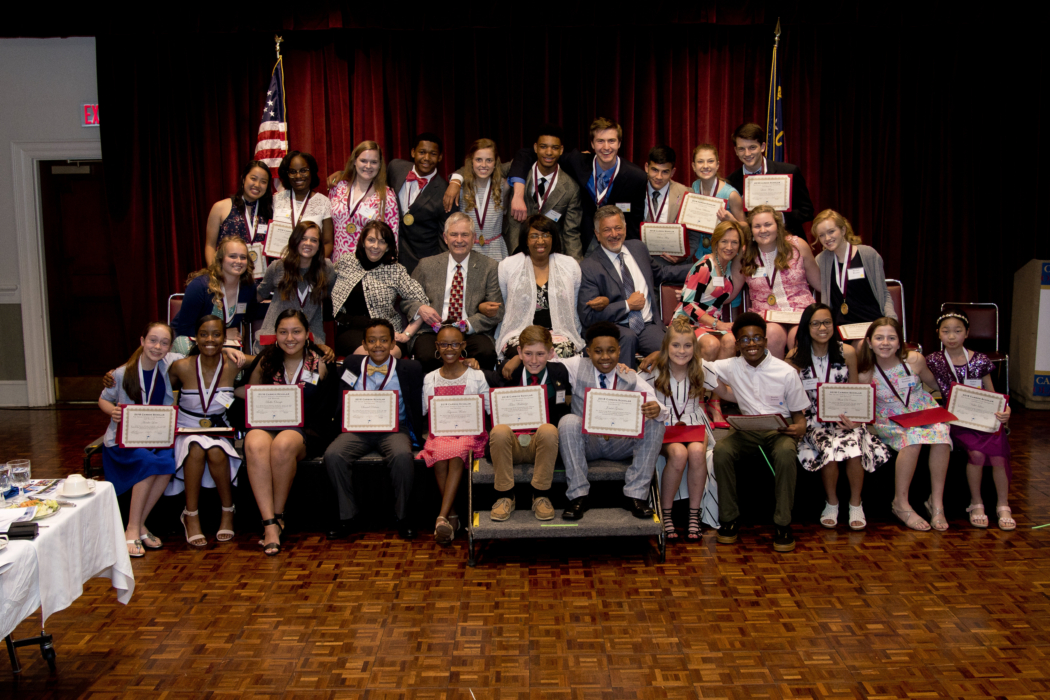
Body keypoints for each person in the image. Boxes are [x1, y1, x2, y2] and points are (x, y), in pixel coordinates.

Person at [705, 312, 810, 552]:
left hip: (779, 428)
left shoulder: (785, 372)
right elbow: (695, 363)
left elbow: (799, 416)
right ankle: (729, 519)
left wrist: (800, 427)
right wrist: (659, 354)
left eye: (756, 338)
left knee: (785, 454)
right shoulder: (731, 365)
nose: (751, 344)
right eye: (745, 339)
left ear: (765, 340)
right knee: (721, 451)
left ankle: (783, 523)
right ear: (737, 344)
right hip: (748, 429)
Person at [787, 304, 890, 530]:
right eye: (816, 323)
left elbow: (855, 392)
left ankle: (855, 503)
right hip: (813, 420)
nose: (822, 328)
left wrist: (855, 419)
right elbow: (790, 398)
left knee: (853, 445)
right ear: (806, 327)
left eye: (827, 322)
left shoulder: (848, 352)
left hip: (845, 417)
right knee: (830, 447)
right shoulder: (794, 357)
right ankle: (832, 502)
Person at [241, 310, 334, 555]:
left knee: (283, 444)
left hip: (304, 428)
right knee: (254, 443)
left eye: (296, 332)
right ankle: (269, 523)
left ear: (307, 334)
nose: (289, 338)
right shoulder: (266, 360)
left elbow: (327, 405)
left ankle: (278, 514)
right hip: (267, 423)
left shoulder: (320, 361)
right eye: (283, 332)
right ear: (276, 334)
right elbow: (247, 392)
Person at [324, 319, 425, 541]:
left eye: (383, 340)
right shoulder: (351, 364)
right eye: (371, 341)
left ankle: (403, 516)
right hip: (357, 430)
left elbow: (418, 403)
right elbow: (340, 395)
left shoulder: (410, 368)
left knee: (402, 456)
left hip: (394, 429)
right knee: (333, 455)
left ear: (393, 344)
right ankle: (347, 515)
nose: (377, 345)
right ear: (363, 344)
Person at [555, 321, 667, 520]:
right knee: (568, 421)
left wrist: (656, 409)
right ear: (588, 352)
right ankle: (578, 496)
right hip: (588, 443)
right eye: (598, 351)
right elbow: (545, 359)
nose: (605, 357)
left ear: (619, 351)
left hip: (619, 444)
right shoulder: (576, 366)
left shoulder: (629, 375)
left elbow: (658, 406)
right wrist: (514, 359)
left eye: (611, 351)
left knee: (655, 421)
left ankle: (635, 495)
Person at [857, 317, 951, 532]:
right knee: (912, 439)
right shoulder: (865, 373)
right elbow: (859, 403)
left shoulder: (915, 360)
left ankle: (936, 503)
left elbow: (936, 384)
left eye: (892, 338)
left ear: (900, 342)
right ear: (869, 342)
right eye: (879, 338)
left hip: (922, 409)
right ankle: (901, 502)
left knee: (942, 435)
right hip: (890, 417)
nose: (885, 343)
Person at [925, 311, 1014, 530]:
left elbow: (992, 393)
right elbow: (924, 387)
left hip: (983, 418)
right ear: (938, 334)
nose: (951, 336)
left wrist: (1006, 410)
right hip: (956, 419)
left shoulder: (980, 359)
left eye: (957, 331)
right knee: (976, 454)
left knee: (998, 456)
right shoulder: (934, 360)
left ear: (967, 333)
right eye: (946, 331)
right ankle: (976, 503)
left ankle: (1003, 504)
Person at [504, 117, 648, 252]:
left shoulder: (636, 177)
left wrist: (630, 254)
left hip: (617, 243)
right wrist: (518, 194)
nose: (606, 147)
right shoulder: (577, 162)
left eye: (611, 141)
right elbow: (527, 155)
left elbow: (634, 223)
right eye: (600, 141)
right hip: (587, 244)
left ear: (619, 143)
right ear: (592, 144)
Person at [98, 322, 179, 558]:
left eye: (164, 343)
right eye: (153, 340)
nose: (157, 347)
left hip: (156, 438)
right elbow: (103, 399)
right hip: (124, 441)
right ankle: (132, 529)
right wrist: (112, 411)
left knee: (167, 463)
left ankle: (140, 524)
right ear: (142, 341)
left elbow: (201, 352)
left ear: (170, 347)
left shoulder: (168, 365)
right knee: (148, 462)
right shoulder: (121, 373)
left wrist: (230, 350)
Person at [168, 315, 243, 546]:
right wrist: (116, 375)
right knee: (196, 448)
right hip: (185, 429)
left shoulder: (234, 364)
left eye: (216, 334)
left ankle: (228, 510)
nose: (210, 339)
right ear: (195, 337)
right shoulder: (180, 366)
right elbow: (155, 381)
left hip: (219, 428)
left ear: (224, 338)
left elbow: (268, 359)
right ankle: (190, 514)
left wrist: (320, 349)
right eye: (204, 334)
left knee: (217, 452)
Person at [402, 212, 504, 373]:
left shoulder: (489, 267)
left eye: (465, 234)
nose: (459, 240)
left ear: (473, 238)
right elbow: (406, 299)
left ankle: (475, 389)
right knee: (426, 356)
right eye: (454, 234)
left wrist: (467, 325)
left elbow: (497, 311)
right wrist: (420, 308)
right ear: (445, 237)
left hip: (471, 332)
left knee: (486, 353)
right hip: (432, 331)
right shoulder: (426, 265)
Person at [490, 325, 573, 522]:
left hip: (542, 446)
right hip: (512, 445)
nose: (534, 360)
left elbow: (565, 404)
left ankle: (541, 495)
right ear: (519, 352)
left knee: (549, 429)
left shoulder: (559, 372)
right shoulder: (508, 372)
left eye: (540, 354)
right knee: (499, 430)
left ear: (551, 353)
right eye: (528, 354)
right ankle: (505, 496)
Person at [638, 317, 711, 542]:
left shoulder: (702, 368)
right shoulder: (653, 370)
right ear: (666, 346)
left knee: (697, 452)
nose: (682, 351)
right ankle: (666, 513)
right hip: (664, 425)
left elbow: (729, 386)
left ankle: (694, 514)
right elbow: (630, 383)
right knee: (679, 453)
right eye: (676, 345)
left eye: (688, 345)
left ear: (694, 347)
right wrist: (623, 368)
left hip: (694, 424)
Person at [420, 325, 491, 545]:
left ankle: (443, 517)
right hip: (441, 433)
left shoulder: (476, 376)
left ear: (463, 346)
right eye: (444, 344)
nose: (449, 349)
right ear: (437, 346)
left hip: (470, 434)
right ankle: (451, 517)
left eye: (454, 344)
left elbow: (489, 408)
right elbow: (425, 410)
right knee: (440, 453)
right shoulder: (430, 378)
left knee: (457, 451)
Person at [578, 205, 666, 368]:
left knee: (672, 349)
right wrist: (627, 305)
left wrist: (701, 267)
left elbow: (661, 273)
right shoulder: (589, 267)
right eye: (607, 230)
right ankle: (624, 385)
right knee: (627, 338)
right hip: (615, 329)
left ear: (625, 229)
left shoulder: (638, 248)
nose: (614, 234)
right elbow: (588, 317)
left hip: (647, 326)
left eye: (618, 228)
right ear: (597, 234)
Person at [331, 220, 428, 358]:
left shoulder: (395, 270)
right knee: (372, 357)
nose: (375, 246)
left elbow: (422, 301)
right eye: (371, 240)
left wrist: (407, 334)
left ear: (388, 247)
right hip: (352, 330)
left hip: (388, 332)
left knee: (386, 356)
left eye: (382, 242)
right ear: (363, 242)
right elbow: (328, 280)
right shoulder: (347, 262)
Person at [495, 214, 584, 363]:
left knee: (559, 353)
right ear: (526, 240)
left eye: (545, 235)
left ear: (553, 238)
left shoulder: (569, 265)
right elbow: (505, 302)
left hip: (560, 333)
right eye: (534, 236)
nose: (540, 241)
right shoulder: (508, 266)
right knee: (524, 353)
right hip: (519, 333)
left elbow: (573, 305)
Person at [740, 205, 820, 359]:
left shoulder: (798, 246)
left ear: (778, 226)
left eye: (768, 224)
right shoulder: (744, 254)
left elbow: (820, 284)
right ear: (751, 231)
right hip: (766, 315)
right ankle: (774, 375)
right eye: (757, 226)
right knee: (772, 334)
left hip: (801, 312)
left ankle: (801, 375)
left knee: (799, 336)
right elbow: (730, 290)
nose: (763, 230)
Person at [813, 209, 896, 345]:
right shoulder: (822, 260)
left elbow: (884, 293)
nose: (827, 238)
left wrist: (891, 321)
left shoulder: (868, 254)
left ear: (843, 230)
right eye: (821, 235)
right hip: (841, 328)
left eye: (831, 231)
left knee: (862, 347)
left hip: (871, 324)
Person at [255, 222, 336, 360]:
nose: (308, 243)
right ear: (294, 241)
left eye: (314, 240)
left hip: (310, 337)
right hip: (275, 336)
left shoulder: (326, 268)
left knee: (321, 363)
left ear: (319, 245)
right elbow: (258, 295)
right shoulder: (277, 267)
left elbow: (333, 296)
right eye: (303, 238)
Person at [674, 220, 746, 361]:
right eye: (724, 241)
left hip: (711, 324)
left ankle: (716, 376)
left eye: (734, 242)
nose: (729, 247)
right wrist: (718, 324)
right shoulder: (704, 266)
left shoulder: (728, 267)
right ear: (716, 243)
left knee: (732, 341)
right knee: (711, 344)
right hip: (687, 322)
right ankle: (702, 376)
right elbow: (688, 305)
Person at [726, 123, 814, 240]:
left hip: (787, 241)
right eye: (741, 149)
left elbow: (807, 211)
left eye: (752, 147)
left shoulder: (789, 172)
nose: (747, 153)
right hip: (753, 245)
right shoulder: (731, 182)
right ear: (736, 151)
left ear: (763, 147)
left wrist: (781, 217)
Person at [172, 235, 257, 354]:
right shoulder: (200, 286)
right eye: (232, 256)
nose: (238, 261)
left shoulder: (248, 288)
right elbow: (185, 328)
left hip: (222, 344)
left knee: (236, 359)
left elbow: (252, 313)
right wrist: (221, 334)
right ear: (220, 259)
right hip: (190, 340)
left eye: (243, 257)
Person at [330, 140, 400, 263]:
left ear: (380, 165)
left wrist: (391, 265)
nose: (368, 166)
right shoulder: (338, 187)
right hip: (338, 263)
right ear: (354, 161)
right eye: (363, 161)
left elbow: (392, 237)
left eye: (374, 162)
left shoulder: (387, 196)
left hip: (368, 266)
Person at [389, 133, 450, 272]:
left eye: (433, 154)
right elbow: (371, 176)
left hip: (422, 263)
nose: (426, 158)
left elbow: (444, 237)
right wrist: (344, 175)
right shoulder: (395, 168)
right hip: (389, 258)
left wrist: (439, 270)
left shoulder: (445, 192)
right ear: (413, 152)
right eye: (422, 152)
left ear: (440, 157)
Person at [204, 160, 273, 265]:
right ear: (243, 178)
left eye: (263, 181)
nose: (257, 185)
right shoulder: (220, 207)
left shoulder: (270, 211)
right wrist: (215, 273)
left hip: (262, 273)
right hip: (228, 273)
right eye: (253, 179)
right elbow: (210, 245)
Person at [452, 138, 511, 262]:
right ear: (471, 161)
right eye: (478, 160)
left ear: (495, 162)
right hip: (468, 250)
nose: (483, 165)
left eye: (489, 160)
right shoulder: (461, 188)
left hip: (496, 251)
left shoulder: (504, 186)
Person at [642, 145, 694, 282]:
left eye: (665, 172)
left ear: (673, 172)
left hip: (673, 267)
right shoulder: (635, 189)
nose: (659, 177)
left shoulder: (685, 194)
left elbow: (694, 235)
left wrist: (683, 256)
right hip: (642, 264)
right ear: (646, 167)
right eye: (655, 170)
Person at [274, 151, 335, 259]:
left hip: (312, 265)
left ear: (312, 172)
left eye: (303, 171)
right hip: (281, 263)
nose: (298, 176)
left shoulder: (323, 202)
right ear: (286, 174)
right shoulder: (276, 199)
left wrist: (313, 265)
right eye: (292, 172)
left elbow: (328, 243)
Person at [689, 144, 745, 258]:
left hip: (724, 255)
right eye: (700, 162)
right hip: (699, 253)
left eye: (710, 161)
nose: (705, 166)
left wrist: (732, 221)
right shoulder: (695, 186)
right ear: (694, 166)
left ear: (717, 165)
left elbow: (746, 228)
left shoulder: (731, 194)